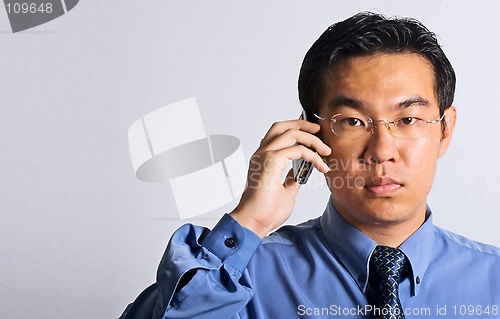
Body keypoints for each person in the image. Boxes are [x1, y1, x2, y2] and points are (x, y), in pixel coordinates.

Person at [147, 12, 500, 319]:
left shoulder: (494, 279)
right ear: (309, 135)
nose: (382, 151)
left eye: (408, 119)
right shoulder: (239, 278)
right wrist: (251, 221)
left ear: (445, 129)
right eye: (352, 121)